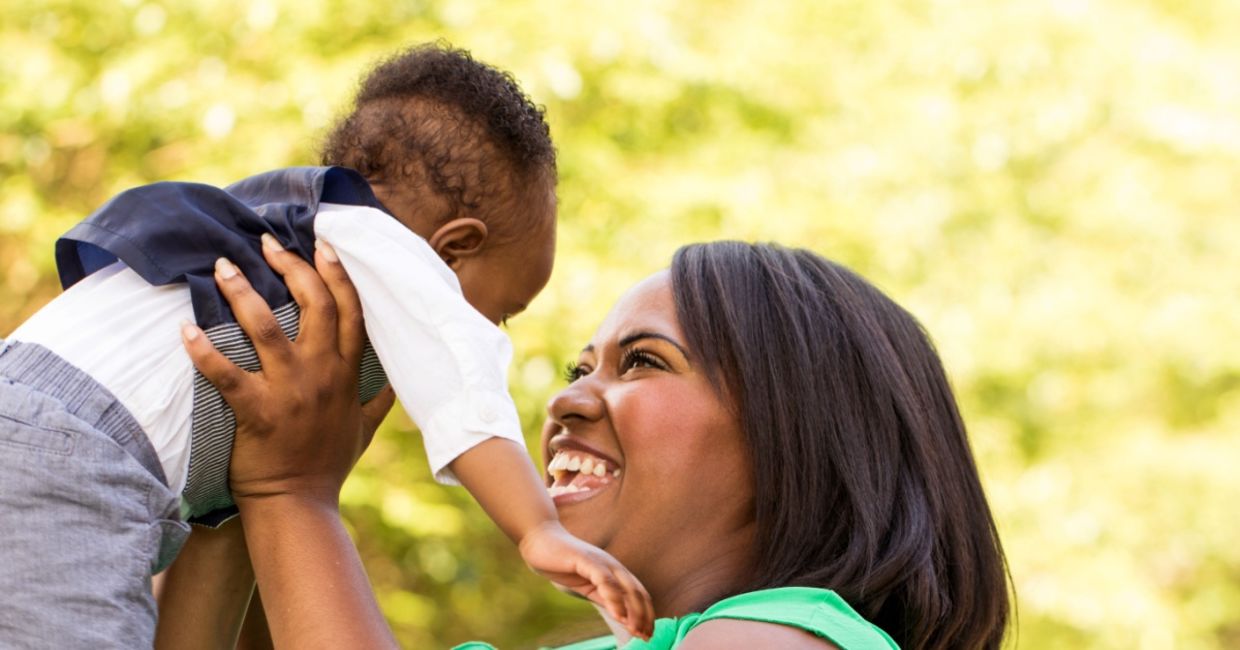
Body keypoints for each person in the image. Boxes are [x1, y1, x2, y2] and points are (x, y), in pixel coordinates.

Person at [0, 44, 652, 647]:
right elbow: (462, 380)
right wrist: (536, 528)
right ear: (454, 248)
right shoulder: (384, 245)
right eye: (502, 312)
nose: (485, 328)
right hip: (71, 458)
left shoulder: (266, 238)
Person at [162, 240, 1011, 649]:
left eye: (642, 362)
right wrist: (245, 475)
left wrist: (293, 494)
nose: (567, 398)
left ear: (801, 433)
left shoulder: (788, 639)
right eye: (579, 365)